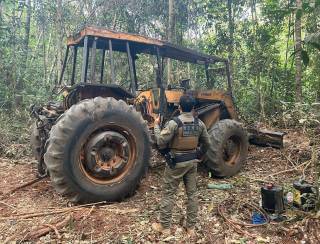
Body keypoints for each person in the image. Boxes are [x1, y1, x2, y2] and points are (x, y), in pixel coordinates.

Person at [152, 94, 211, 238]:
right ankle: (191, 228)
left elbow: (160, 141)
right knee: (192, 195)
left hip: (176, 163)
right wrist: (198, 155)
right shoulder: (199, 124)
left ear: (179, 107)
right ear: (193, 108)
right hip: (192, 163)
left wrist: (156, 125)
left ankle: (165, 227)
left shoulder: (174, 123)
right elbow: (207, 143)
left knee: (169, 194)